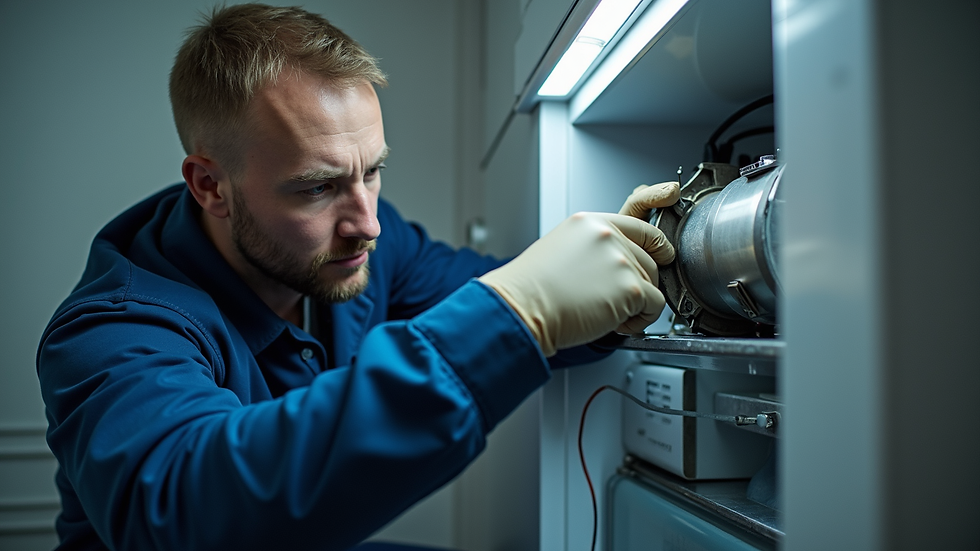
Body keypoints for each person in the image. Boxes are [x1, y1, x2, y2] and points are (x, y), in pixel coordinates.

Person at [36, 4, 680, 550]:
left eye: (371, 171)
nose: (367, 223)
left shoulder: (371, 245)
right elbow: (185, 508)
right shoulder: (113, 329)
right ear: (211, 186)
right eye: (318, 188)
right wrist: (518, 310)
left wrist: (614, 279)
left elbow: (507, 296)